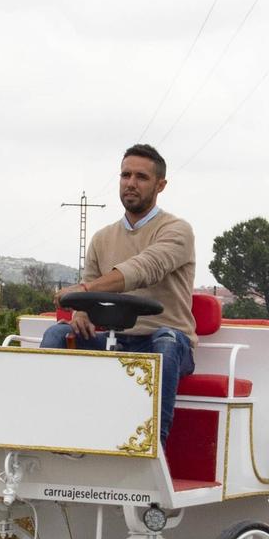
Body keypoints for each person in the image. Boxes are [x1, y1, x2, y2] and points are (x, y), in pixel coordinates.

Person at [43, 143, 197, 445]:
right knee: (56, 335)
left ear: (160, 185)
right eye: (125, 175)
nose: (131, 183)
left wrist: (85, 290)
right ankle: (52, 436)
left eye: (141, 177)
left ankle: (154, 449)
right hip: (114, 340)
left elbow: (143, 269)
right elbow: (87, 289)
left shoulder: (177, 231)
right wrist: (81, 311)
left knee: (165, 341)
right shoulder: (102, 239)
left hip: (166, 342)